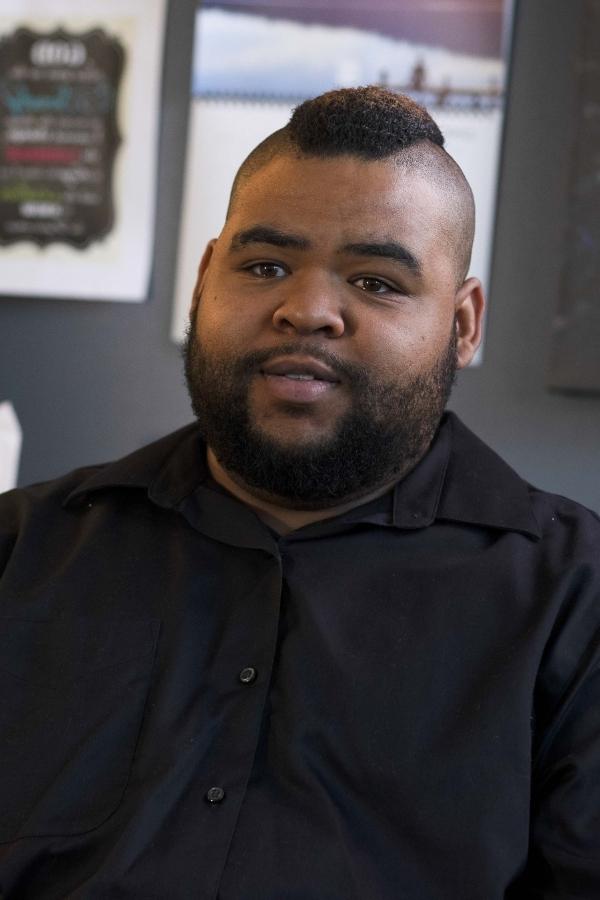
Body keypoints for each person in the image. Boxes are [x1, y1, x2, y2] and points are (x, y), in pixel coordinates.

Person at [0, 86, 599, 899]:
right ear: (207, 279)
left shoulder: (576, 603)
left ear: (462, 324)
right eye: (267, 266)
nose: (308, 309)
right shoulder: (22, 552)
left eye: (378, 282)